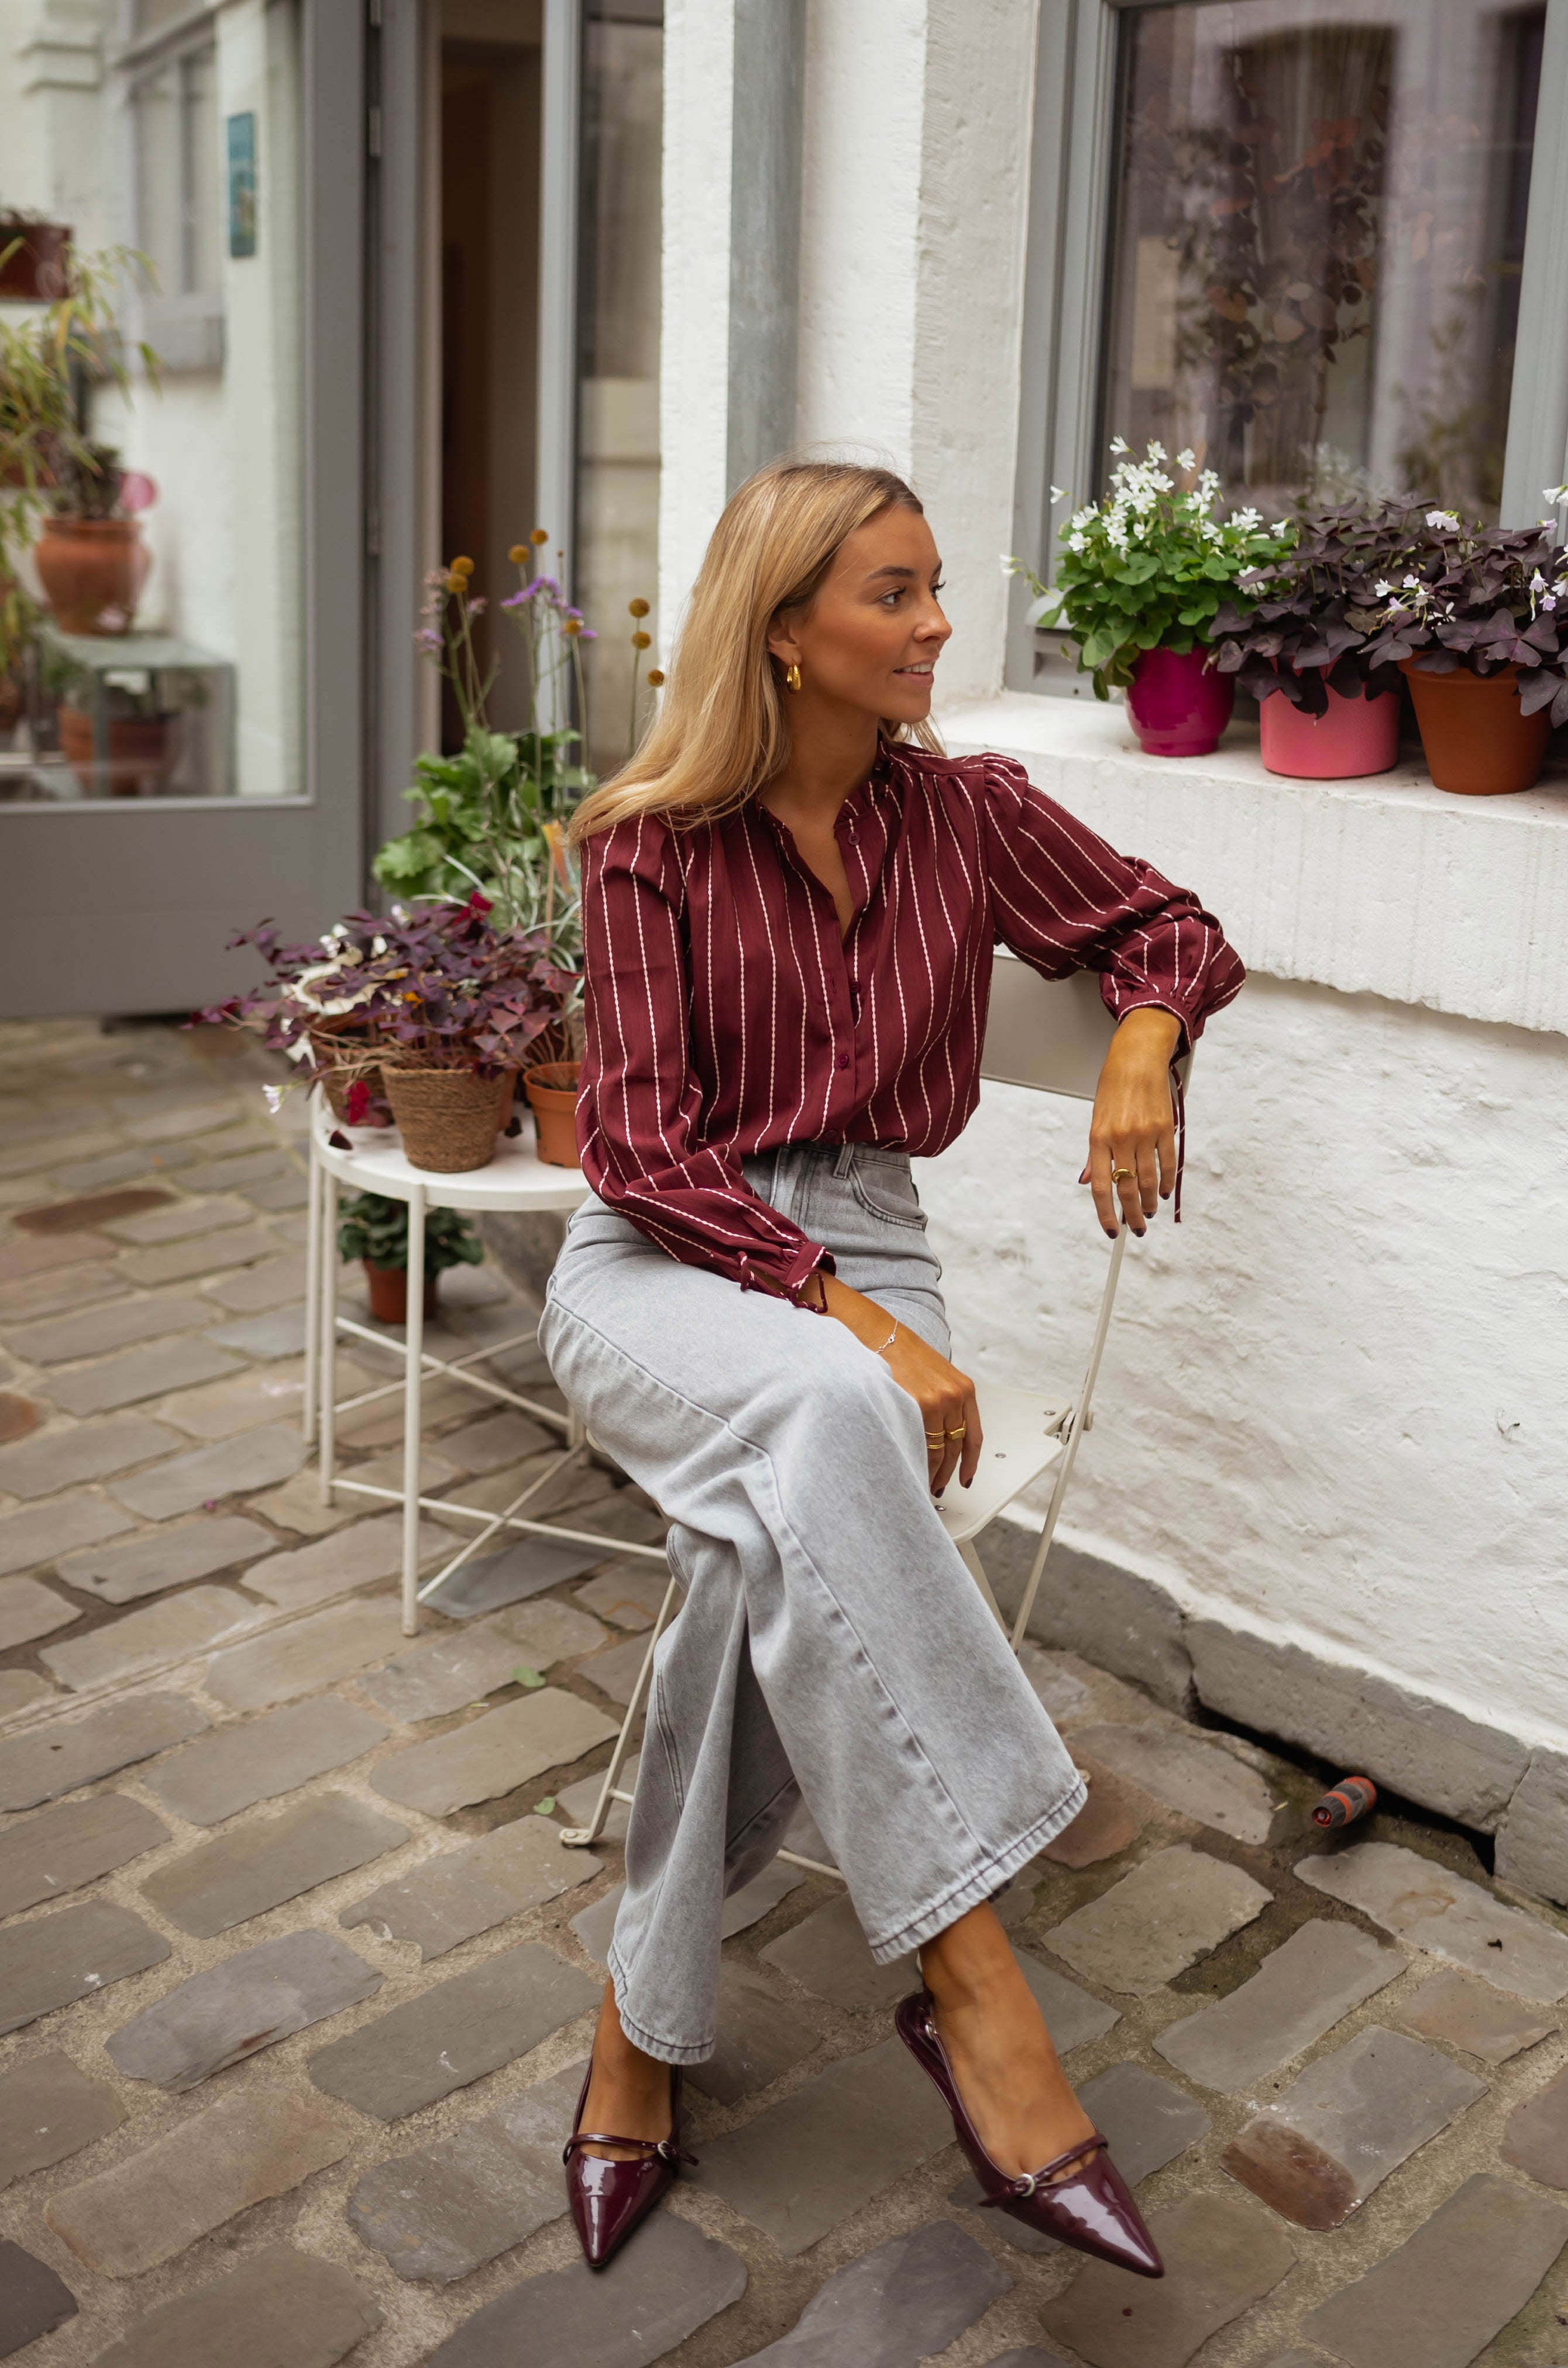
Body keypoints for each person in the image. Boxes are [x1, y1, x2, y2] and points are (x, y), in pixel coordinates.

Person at [541, 458, 1243, 2276]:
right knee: (830, 1410)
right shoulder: (646, 841)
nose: (942, 625)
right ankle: (975, 1974)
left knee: (749, 1547)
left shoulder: (971, 817)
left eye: (937, 587)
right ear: (785, 633)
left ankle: (642, 2026)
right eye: (896, 594)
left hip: (873, 1230)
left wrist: (1140, 1052)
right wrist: (842, 1316)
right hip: (667, 1261)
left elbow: (1174, 929)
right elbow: (632, 1145)